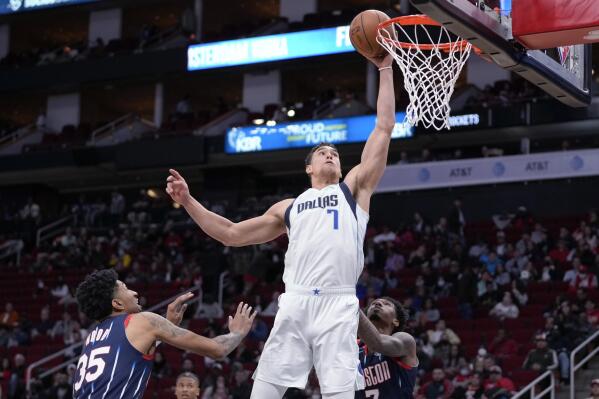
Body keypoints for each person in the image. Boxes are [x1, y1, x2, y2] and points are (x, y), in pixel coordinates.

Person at [166, 53, 397, 399]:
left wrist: (385, 68)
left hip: (339, 303)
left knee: (341, 394)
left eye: (334, 152)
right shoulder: (289, 207)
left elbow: (383, 126)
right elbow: (230, 233)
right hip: (296, 302)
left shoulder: (353, 190)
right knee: (265, 392)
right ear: (308, 168)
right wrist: (187, 201)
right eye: (322, 152)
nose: (330, 154)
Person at [72, 269, 256, 399]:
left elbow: (128, 354)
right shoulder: (142, 321)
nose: (135, 292)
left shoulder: (92, 337)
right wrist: (237, 333)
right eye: (126, 289)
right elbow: (218, 350)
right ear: (117, 304)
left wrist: (164, 327)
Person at [355, 296, 418, 399]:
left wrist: (351, 305)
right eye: (373, 303)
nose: (377, 304)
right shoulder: (354, 347)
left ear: (396, 321)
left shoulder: (405, 341)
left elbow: (377, 344)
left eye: (386, 304)